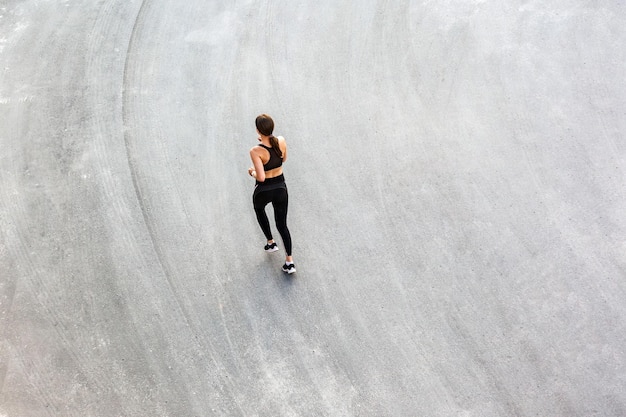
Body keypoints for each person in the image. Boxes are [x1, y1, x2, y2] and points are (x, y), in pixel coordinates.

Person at [248, 114, 295, 274]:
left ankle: (271, 242)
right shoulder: (281, 141)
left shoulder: (256, 151)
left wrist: (252, 172)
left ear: (258, 130)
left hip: (264, 190)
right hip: (281, 188)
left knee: (259, 209)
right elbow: (284, 159)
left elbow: (260, 177)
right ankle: (289, 261)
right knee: (282, 225)